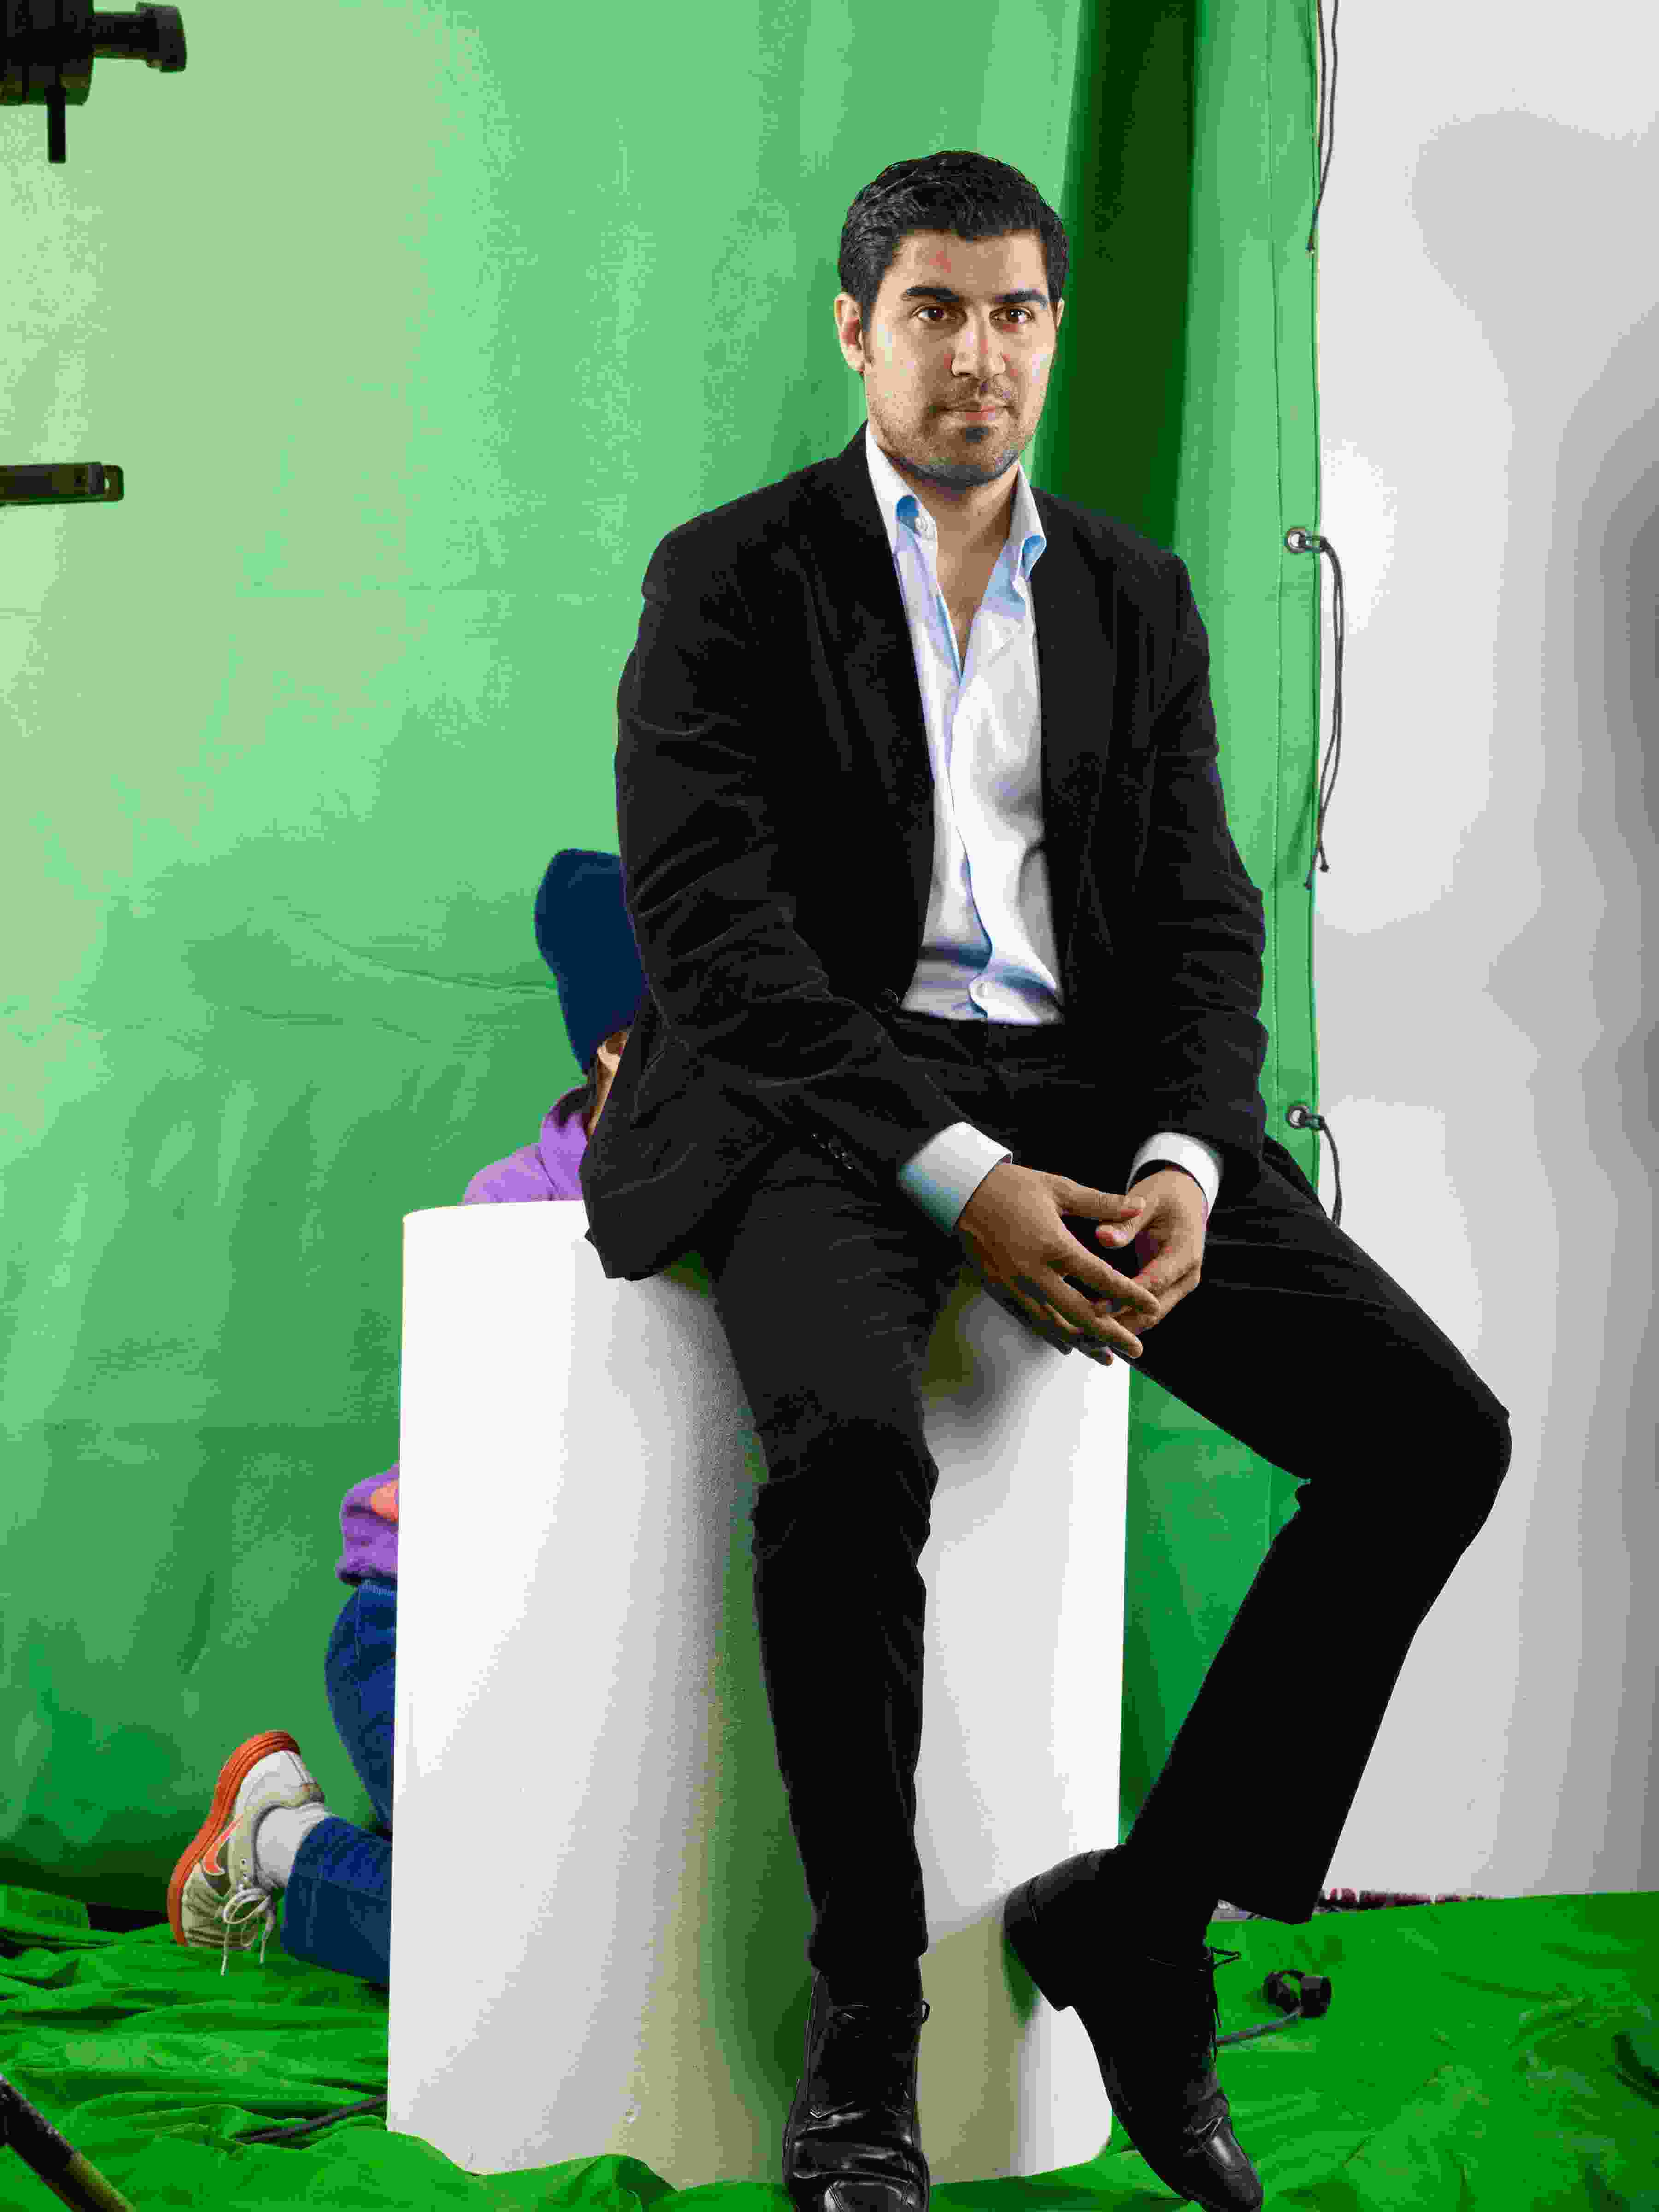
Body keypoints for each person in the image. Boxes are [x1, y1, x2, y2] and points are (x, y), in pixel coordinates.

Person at [574, 150, 1512, 2212]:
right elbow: (718, 947)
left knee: (1434, 1439)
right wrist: (965, 1179)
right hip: (821, 1097)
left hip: (1090, 1095)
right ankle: (867, 2029)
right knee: (848, 1458)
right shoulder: (729, 577)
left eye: (1014, 313)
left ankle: (1146, 1919)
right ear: (856, 331)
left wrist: (1185, 1160)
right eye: (935, 309)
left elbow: (1197, 920)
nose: (978, 354)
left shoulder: (1132, 595)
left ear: (1055, 332)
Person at [165, 848, 645, 1993]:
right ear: (617, 1049)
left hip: (605, 1655)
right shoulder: (513, 1211)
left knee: (608, 1921)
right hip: (430, 1632)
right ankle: (282, 1849)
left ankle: (332, 1842)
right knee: (519, 1943)